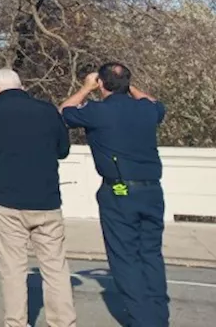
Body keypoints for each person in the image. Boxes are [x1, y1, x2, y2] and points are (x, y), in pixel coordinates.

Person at [0, 68, 77, 327]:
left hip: (7, 200)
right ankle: (63, 322)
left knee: (13, 269)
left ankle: (16, 322)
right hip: (47, 198)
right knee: (55, 267)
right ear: (22, 85)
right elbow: (63, 150)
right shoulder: (47, 111)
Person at [62, 63, 168, 327]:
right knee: (151, 255)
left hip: (119, 190)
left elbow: (64, 111)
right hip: (151, 189)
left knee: (125, 258)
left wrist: (87, 87)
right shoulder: (145, 109)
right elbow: (157, 104)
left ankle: (143, 321)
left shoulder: (97, 111)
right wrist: (127, 86)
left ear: (101, 84)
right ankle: (159, 317)